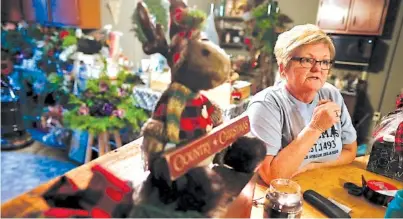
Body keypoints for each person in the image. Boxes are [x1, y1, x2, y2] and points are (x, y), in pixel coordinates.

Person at [247, 24, 357, 185]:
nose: (317, 68)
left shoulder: (331, 94)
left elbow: (350, 151)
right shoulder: (266, 105)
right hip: (281, 195)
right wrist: (316, 128)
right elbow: (271, 175)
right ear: (283, 68)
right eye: (307, 60)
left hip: (323, 183)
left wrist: (309, 166)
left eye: (325, 61)